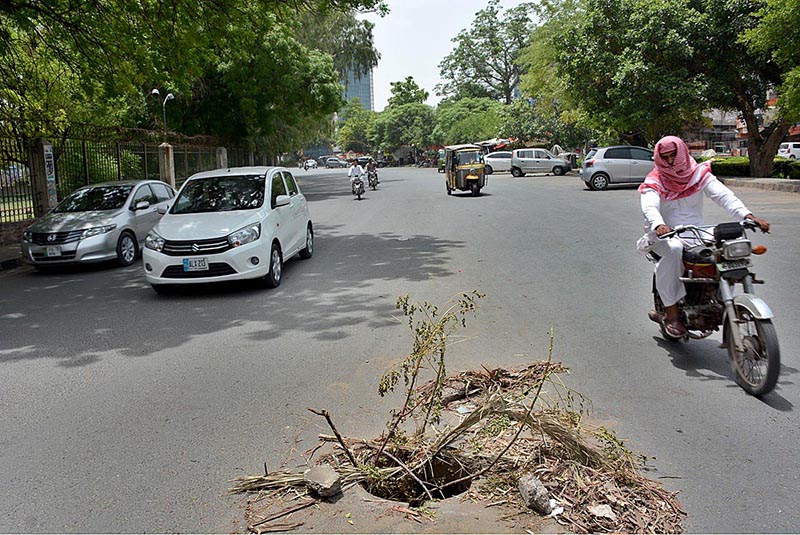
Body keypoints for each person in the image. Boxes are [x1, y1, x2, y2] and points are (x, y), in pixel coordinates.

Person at [638, 136, 770, 337]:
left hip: (697, 231)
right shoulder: (655, 179)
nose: (672, 161)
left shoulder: (698, 174)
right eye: (666, 157)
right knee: (674, 249)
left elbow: (723, 195)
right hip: (665, 234)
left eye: (674, 155)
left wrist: (748, 215)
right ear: (659, 158)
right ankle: (671, 313)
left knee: (729, 245)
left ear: (683, 152)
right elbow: (649, 204)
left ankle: (720, 297)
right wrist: (658, 224)